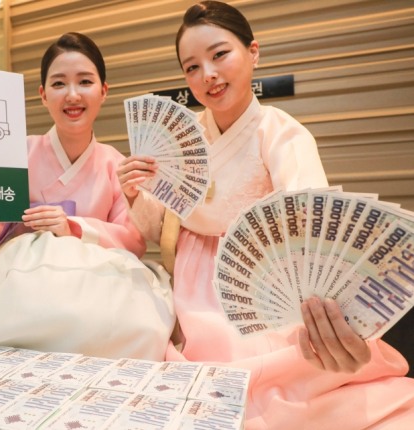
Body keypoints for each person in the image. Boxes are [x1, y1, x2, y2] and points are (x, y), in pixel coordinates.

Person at [117, 1, 414, 428]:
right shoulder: (184, 137)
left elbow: (310, 228)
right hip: (195, 281)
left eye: (220, 54)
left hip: (262, 282)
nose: (208, 75)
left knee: (273, 376)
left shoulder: (282, 132)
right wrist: (135, 193)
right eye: (192, 67)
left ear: (253, 52)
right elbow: (159, 230)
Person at [0, 32, 175, 360]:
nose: (72, 95)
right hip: (24, 276)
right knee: (34, 305)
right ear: (42, 94)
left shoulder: (114, 163)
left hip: (95, 280)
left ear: (103, 90)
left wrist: (73, 227)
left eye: (84, 82)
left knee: (137, 323)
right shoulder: (16, 155)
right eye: (58, 84)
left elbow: (132, 240)